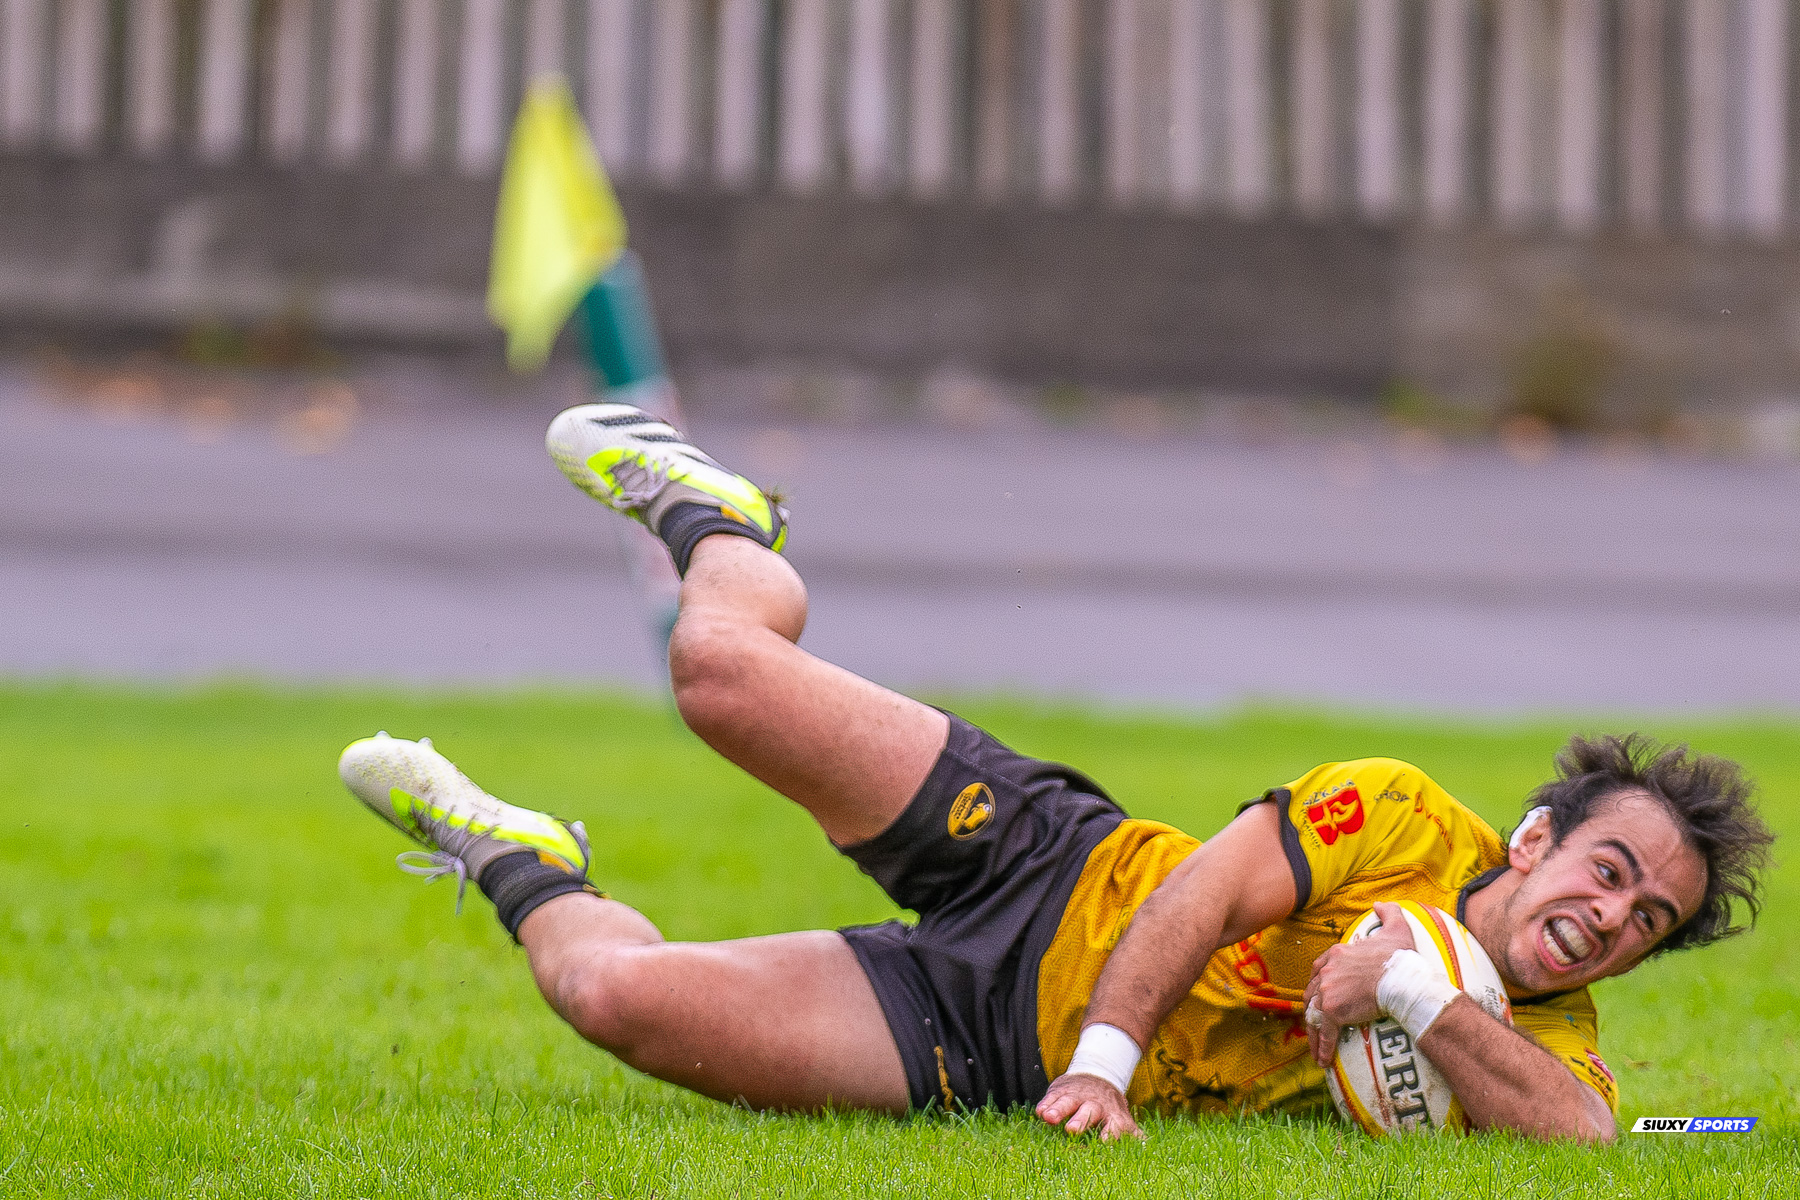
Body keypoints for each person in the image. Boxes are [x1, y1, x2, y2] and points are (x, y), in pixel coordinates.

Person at [339, 403, 1773, 1142]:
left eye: (1650, 921)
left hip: (977, 1044)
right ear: (1534, 841)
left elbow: (1581, 1136)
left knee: (613, 996)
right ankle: (725, 528)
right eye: (1613, 869)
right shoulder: (1401, 813)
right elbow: (1213, 890)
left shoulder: (1549, 1030)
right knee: (717, 681)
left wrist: (1412, 991)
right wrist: (1107, 1066)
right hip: (1043, 862)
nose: (1616, 915)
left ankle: (511, 850)